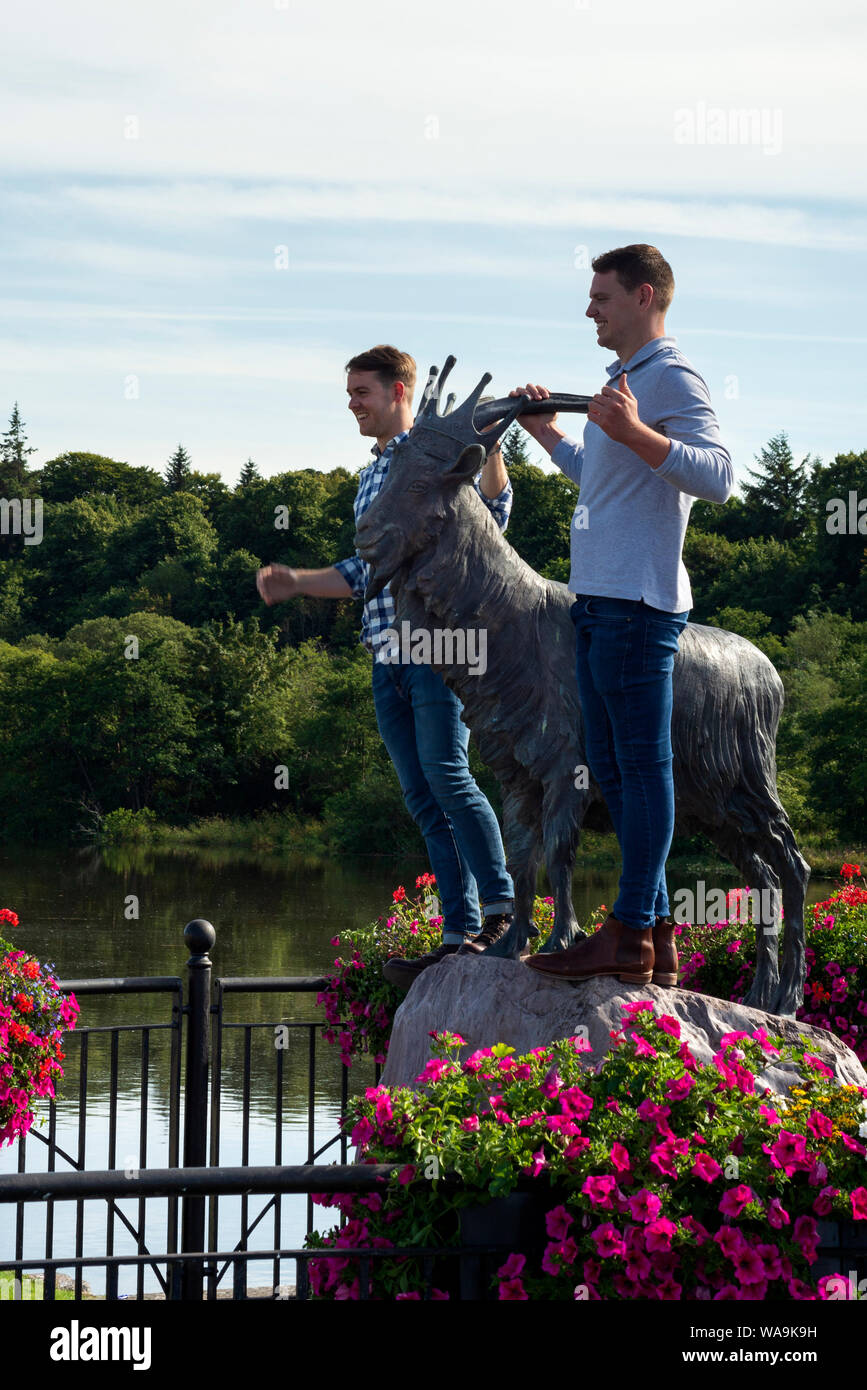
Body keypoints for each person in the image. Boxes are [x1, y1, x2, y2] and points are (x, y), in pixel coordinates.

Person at [256, 345, 516, 988]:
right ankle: (458, 932)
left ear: (399, 391)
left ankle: (505, 913)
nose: (351, 403)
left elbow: (494, 518)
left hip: (437, 648)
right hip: (386, 655)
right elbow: (364, 572)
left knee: (449, 778)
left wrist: (490, 448)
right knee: (423, 797)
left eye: (360, 392)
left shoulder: (429, 460)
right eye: (349, 392)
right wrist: (297, 582)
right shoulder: (372, 477)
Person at [516, 245, 733, 986]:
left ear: (643, 296)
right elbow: (601, 482)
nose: (588, 310)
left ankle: (629, 933)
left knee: (640, 770)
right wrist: (549, 435)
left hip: (639, 609)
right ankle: (660, 934)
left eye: (600, 296)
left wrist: (638, 431)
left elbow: (718, 476)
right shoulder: (624, 381)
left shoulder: (669, 375)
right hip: (600, 605)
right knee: (613, 768)